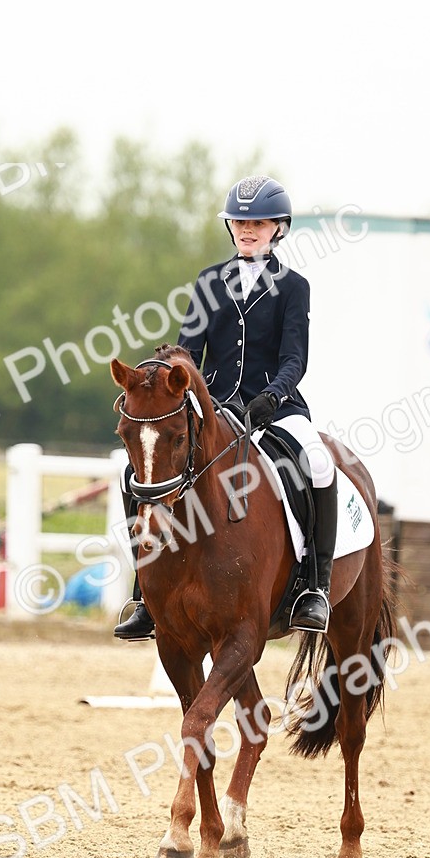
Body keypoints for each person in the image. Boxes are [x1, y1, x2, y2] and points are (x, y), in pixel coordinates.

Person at [114, 174, 337, 640]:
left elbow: (296, 357)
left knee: (317, 463)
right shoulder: (209, 282)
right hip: (212, 406)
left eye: (258, 222)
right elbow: (186, 351)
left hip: (275, 406)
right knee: (137, 474)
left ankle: (313, 587)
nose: (248, 229)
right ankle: (145, 594)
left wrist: (273, 395)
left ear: (279, 227)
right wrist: (158, 379)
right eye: (239, 221)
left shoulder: (294, 286)